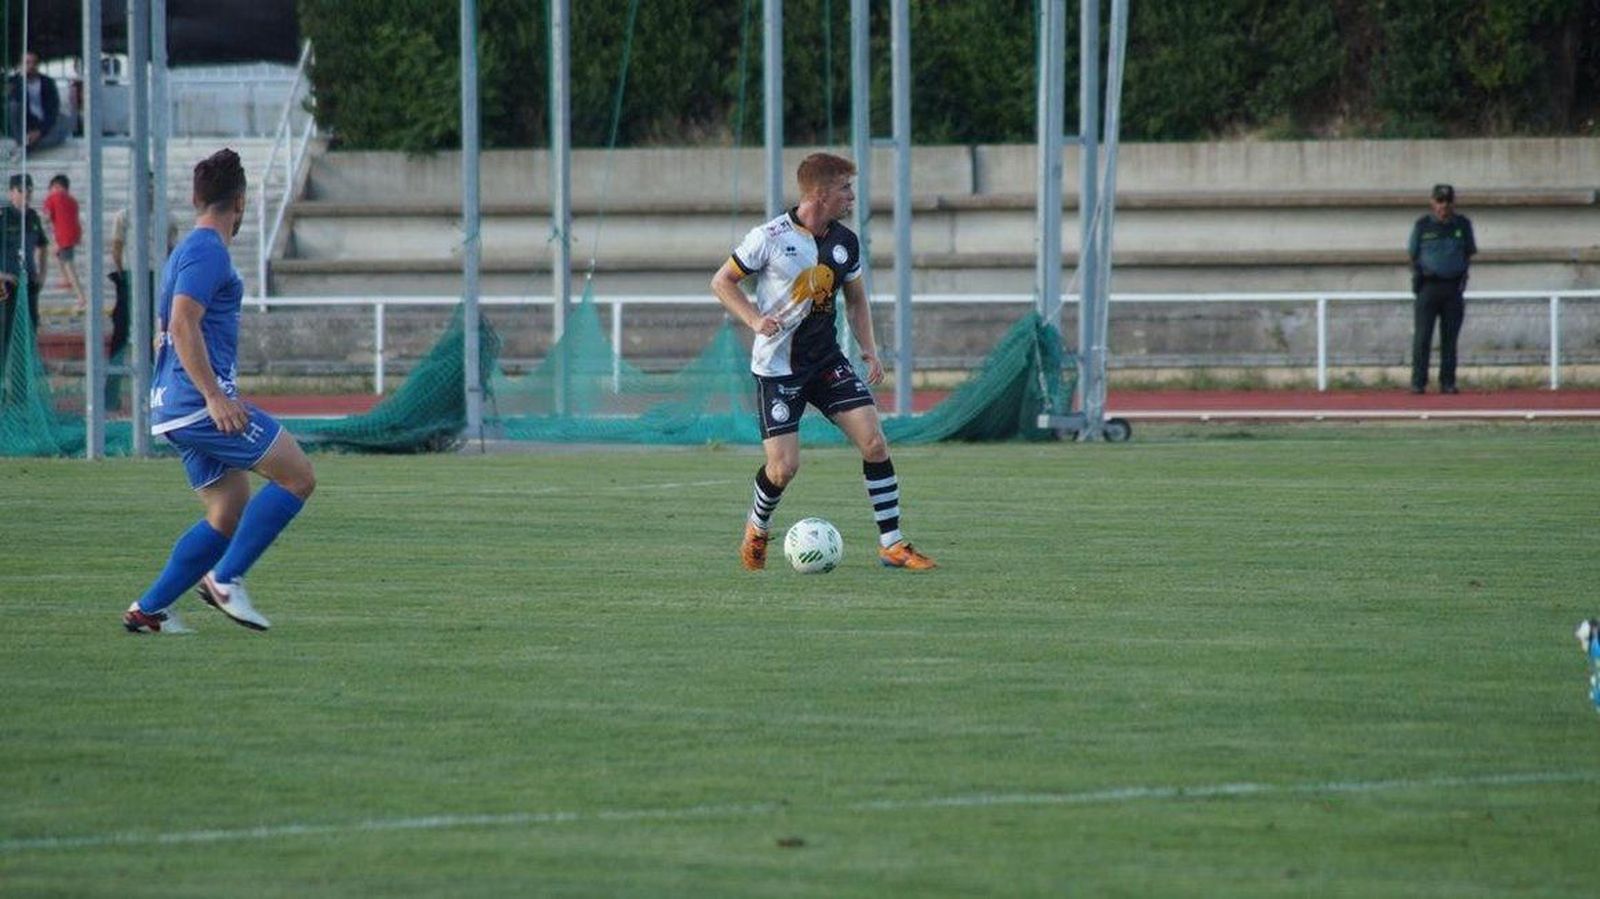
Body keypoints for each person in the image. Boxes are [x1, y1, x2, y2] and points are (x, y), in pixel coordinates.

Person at [711, 151, 937, 571]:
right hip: (778, 370)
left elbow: (856, 302)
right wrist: (755, 318)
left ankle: (892, 544)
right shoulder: (769, 237)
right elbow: (722, 281)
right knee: (783, 468)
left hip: (827, 361)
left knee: (873, 442)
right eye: (845, 189)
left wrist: (868, 348)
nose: (852, 197)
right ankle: (756, 529)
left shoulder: (845, 242)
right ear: (820, 194)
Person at [123, 148, 317, 634]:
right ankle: (226, 579)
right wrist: (213, 396)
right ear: (241, 201)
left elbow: (166, 327)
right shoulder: (208, 250)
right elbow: (184, 323)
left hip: (171, 405)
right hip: (196, 404)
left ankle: (149, 610)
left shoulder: (185, 252)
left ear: (195, 198)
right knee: (297, 477)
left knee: (227, 509)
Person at [106, 184, 181, 407]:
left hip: (154, 276)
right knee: (121, 333)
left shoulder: (166, 217)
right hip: (131, 276)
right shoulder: (124, 216)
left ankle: (153, 392)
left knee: (154, 333)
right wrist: (122, 274)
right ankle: (111, 394)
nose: (147, 192)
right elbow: (117, 247)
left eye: (151, 188)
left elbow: (171, 248)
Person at [1407, 183, 1476, 395]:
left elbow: (1468, 252)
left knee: (1450, 338)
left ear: (1453, 203)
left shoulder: (1462, 225)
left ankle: (1447, 382)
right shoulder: (1423, 225)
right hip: (1428, 287)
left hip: (1452, 287)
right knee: (1422, 338)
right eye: (1439, 201)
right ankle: (1418, 382)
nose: (1443, 206)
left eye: (1447, 201)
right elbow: (1413, 253)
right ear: (1432, 202)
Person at [0, 173, 49, 377]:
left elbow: (43, 245)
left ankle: (20, 394)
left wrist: (42, 274)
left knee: (26, 337)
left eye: (30, 191)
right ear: (11, 193)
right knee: (4, 336)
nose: (26, 195)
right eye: (21, 191)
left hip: (28, 285)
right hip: (6, 286)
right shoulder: (3, 216)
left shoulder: (32, 217)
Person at [41, 174, 86, 309]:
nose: (50, 191)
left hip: (63, 236)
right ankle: (65, 279)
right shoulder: (72, 200)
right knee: (56, 253)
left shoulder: (52, 198)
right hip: (73, 234)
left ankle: (81, 298)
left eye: (51, 188)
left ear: (56, 186)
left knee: (68, 265)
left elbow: (47, 217)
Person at [6, 52, 64, 151]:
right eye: (27, 63)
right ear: (20, 65)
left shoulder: (48, 83)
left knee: (61, 125)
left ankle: (27, 144)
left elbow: (53, 110)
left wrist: (40, 131)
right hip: (26, 123)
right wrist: (21, 79)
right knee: (13, 106)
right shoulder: (14, 82)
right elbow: (12, 106)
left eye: (34, 63)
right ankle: (23, 142)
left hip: (43, 122)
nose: (31, 66)